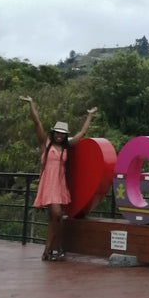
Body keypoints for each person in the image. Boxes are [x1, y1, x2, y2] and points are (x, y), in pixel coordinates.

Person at [20, 96, 97, 261]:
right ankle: (57, 246)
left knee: (54, 218)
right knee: (56, 214)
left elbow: (82, 133)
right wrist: (31, 104)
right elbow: (37, 123)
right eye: (57, 133)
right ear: (53, 133)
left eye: (63, 134)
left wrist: (89, 115)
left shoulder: (67, 148)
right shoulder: (46, 145)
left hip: (60, 184)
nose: (60, 136)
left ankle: (49, 249)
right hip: (48, 184)